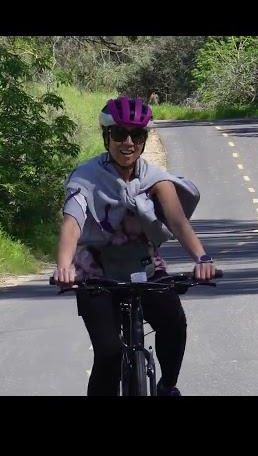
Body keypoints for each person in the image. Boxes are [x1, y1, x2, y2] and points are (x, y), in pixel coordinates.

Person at [52, 96, 217, 396]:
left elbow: (178, 222)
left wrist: (202, 258)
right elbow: (72, 223)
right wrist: (65, 267)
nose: (127, 142)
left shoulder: (156, 179)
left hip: (145, 267)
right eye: (119, 134)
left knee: (174, 323)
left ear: (144, 139)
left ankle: (167, 386)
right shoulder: (85, 178)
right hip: (95, 272)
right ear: (106, 137)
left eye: (137, 135)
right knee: (109, 353)